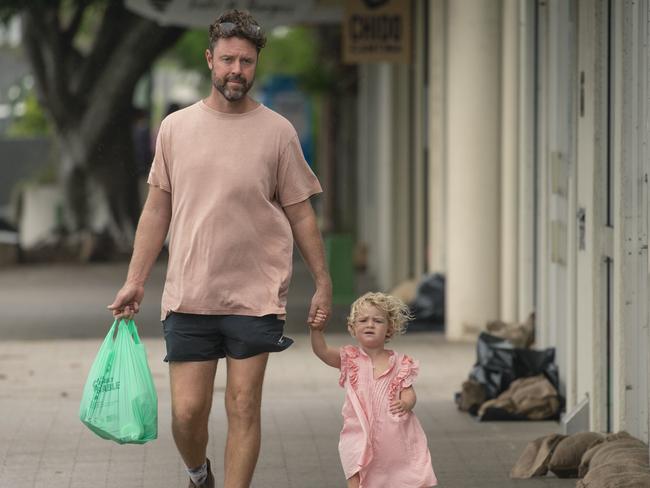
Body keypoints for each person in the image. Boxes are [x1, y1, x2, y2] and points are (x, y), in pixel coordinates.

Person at [108, 9, 332, 488]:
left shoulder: (278, 132)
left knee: (244, 406)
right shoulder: (175, 128)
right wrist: (135, 279)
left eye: (246, 62)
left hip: (257, 293)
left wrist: (323, 282)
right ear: (210, 60)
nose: (237, 70)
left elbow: (300, 213)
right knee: (188, 414)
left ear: (256, 66)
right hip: (190, 292)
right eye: (228, 59)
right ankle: (198, 473)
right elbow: (156, 211)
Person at [309, 292, 437, 488]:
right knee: (354, 469)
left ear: (389, 329)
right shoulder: (349, 358)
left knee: (395, 475)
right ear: (352, 328)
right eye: (363, 320)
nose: (370, 324)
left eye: (377, 321)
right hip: (357, 431)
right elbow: (323, 352)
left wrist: (406, 403)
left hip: (392, 434)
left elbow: (408, 391)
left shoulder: (401, 363)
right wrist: (316, 331)